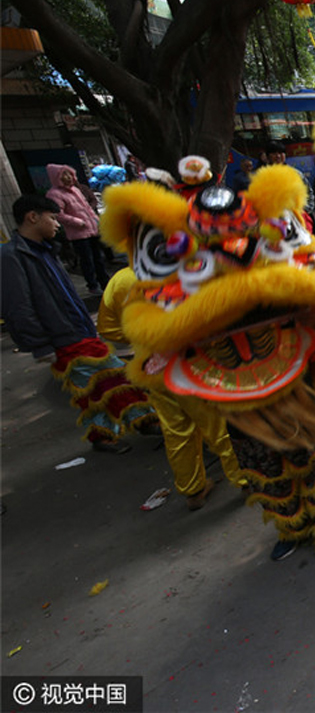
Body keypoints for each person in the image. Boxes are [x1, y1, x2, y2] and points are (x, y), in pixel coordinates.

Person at [1, 194, 157, 450]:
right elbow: (18, 307)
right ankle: (127, 426)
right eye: (52, 218)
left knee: (102, 384)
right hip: (61, 338)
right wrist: (40, 345)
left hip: (79, 331)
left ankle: (132, 424)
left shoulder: (45, 250)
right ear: (32, 217)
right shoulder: (12, 256)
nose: (57, 224)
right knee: (109, 379)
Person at [97, 267, 247, 510]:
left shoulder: (118, 280)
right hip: (189, 364)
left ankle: (193, 491)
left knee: (176, 430)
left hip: (149, 367)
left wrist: (141, 337)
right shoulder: (179, 271)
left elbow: (107, 328)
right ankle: (244, 479)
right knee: (218, 425)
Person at [44, 163, 109, 294]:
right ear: (56, 177)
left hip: (92, 230)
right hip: (78, 233)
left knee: (98, 258)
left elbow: (88, 208)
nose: (68, 177)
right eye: (64, 175)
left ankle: (105, 284)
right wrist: (78, 222)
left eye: (69, 174)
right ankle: (92, 286)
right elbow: (58, 214)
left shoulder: (76, 190)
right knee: (87, 260)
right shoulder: (54, 194)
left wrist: (96, 221)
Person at [265, 140, 315, 239]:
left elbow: (308, 191)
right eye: (274, 153)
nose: (278, 156)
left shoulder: (296, 173)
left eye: (281, 153)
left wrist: (306, 210)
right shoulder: (263, 176)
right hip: (277, 222)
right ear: (268, 157)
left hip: (300, 218)